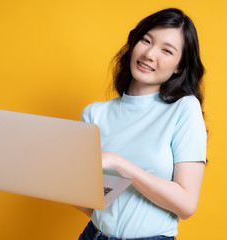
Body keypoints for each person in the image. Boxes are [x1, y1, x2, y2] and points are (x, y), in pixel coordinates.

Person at [77, 8, 207, 240]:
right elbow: (86, 201)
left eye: (166, 50)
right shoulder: (94, 114)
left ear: (179, 66)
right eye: (146, 40)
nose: (149, 54)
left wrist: (119, 163)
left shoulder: (184, 109)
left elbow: (187, 205)